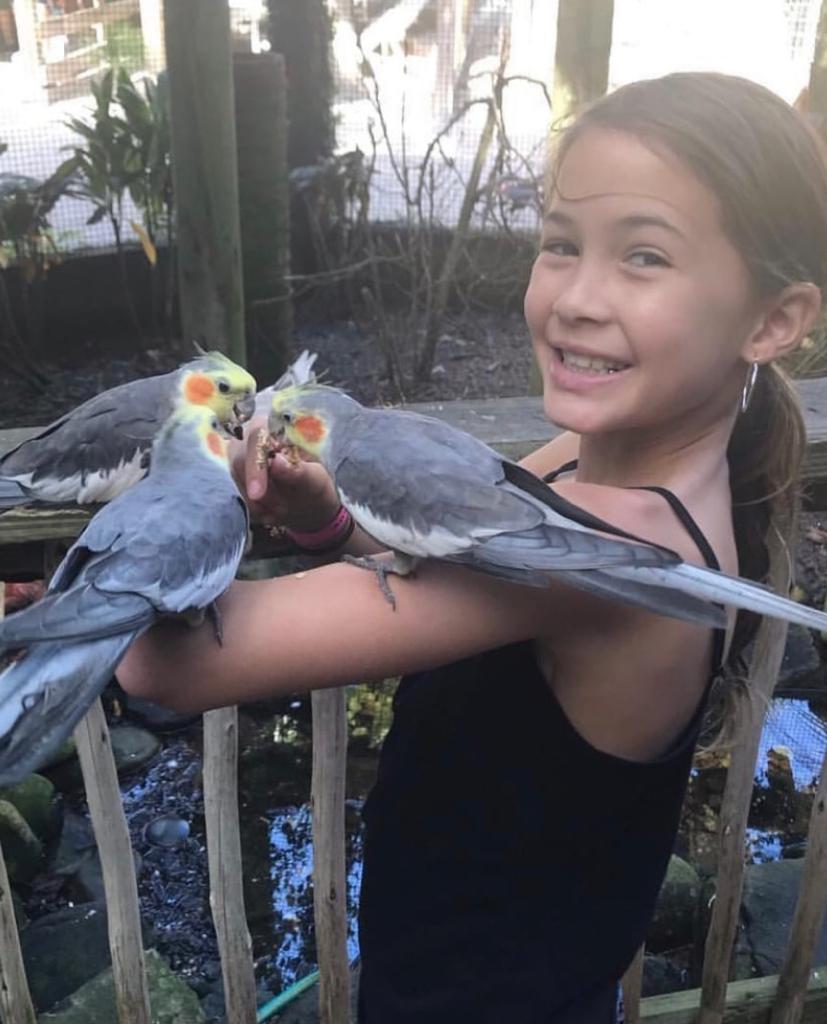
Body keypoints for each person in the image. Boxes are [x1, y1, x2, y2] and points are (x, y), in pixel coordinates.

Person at [117, 72, 827, 1023]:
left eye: (644, 256)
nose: (576, 298)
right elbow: (428, 540)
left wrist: (165, 500)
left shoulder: (591, 562)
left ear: (772, 321)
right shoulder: (586, 467)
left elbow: (161, 664)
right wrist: (325, 518)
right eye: (560, 244)